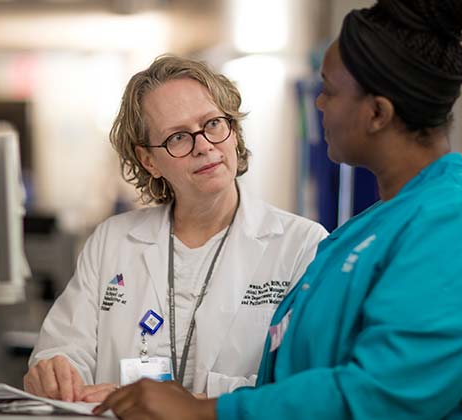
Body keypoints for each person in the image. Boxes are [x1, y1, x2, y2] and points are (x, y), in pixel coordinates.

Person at [93, 0, 462, 419]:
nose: (319, 103)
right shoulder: (363, 231)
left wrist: (204, 412)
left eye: (329, 90)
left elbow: (380, 397)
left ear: (377, 113)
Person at [23, 56, 328, 402]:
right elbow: (63, 351)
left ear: (234, 130)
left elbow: (306, 384)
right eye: (178, 137)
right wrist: (55, 373)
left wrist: (186, 403)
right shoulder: (113, 241)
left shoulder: (302, 245)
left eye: (213, 124)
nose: (203, 145)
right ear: (148, 160)